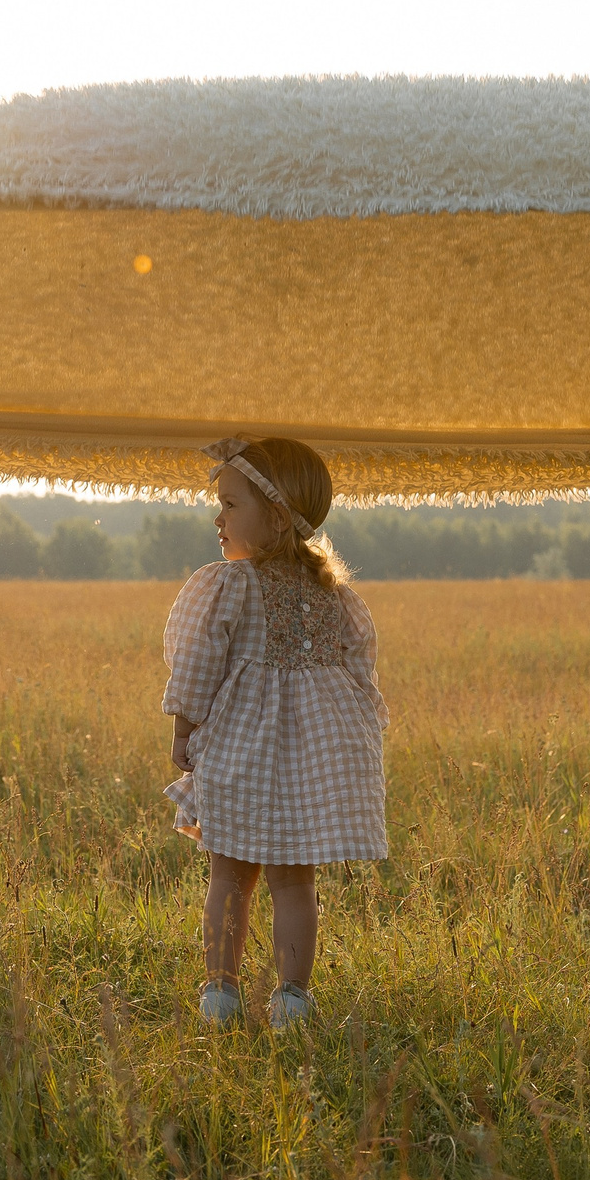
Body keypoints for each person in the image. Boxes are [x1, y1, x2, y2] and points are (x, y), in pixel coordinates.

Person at [162, 436, 388, 1029]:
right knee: (295, 882)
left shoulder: (229, 585)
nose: (218, 518)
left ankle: (220, 994)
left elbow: (198, 662)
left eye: (232, 505)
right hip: (315, 756)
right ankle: (291, 999)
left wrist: (184, 728)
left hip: (243, 747)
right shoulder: (335, 595)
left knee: (229, 874)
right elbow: (360, 676)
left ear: (278, 517)